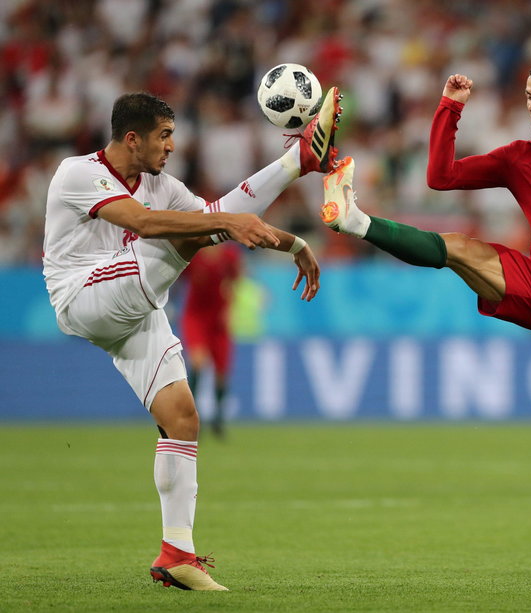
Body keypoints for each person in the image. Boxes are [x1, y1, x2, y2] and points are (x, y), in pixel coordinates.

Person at [320, 26, 531, 588]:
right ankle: (355, 219)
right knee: (460, 249)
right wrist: (448, 110)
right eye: (527, 98)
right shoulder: (518, 159)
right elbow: (440, 177)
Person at [42, 88, 341, 590]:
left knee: (183, 417)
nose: (172, 146)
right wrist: (223, 221)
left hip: (139, 308)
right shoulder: (77, 172)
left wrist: (294, 242)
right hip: (83, 296)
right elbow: (144, 223)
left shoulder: (162, 184)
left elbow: (217, 219)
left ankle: (177, 553)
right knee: (182, 235)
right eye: (164, 136)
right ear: (131, 139)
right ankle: (298, 157)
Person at [179, 242, 242, 438]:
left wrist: (229, 308)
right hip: (196, 317)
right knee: (198, 363)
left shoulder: (230, 255)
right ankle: (191, 418)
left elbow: (234, 281)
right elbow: (176, 278)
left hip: (219, 320)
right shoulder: (193, 254)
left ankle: (218, 419)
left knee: (222, 372)